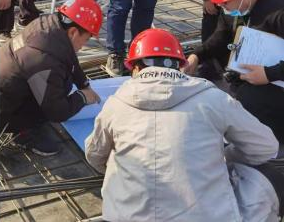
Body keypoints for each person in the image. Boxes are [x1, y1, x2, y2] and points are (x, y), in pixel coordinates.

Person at [85, 27, 282, 222]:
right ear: (180, 65)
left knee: (115, 157)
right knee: (267, 176)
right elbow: (266, 147)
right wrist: (224, 156)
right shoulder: (214, 99)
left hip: (124, 217)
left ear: (135, 68)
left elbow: (94, 155)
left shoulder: (115, 104)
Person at [0, 0, 102, 156]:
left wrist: (84, 84)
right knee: (57, 99)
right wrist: (82, 97)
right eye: (85, 39)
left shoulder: (49, 26)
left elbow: (70, 60)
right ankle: (22, 134)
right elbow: (58, 113)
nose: (83, 45)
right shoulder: (44, 60)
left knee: (63, 81)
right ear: (73, 32)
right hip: (0, 113)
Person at [184, 0, 284, 142]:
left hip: (276, 80)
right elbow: (222, 36)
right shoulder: (236, 7)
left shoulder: (278, 10)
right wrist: (197, 56)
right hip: (256, 74)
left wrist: (269, 74)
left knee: (250, 99)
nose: (221, 6)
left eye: (225, 2)